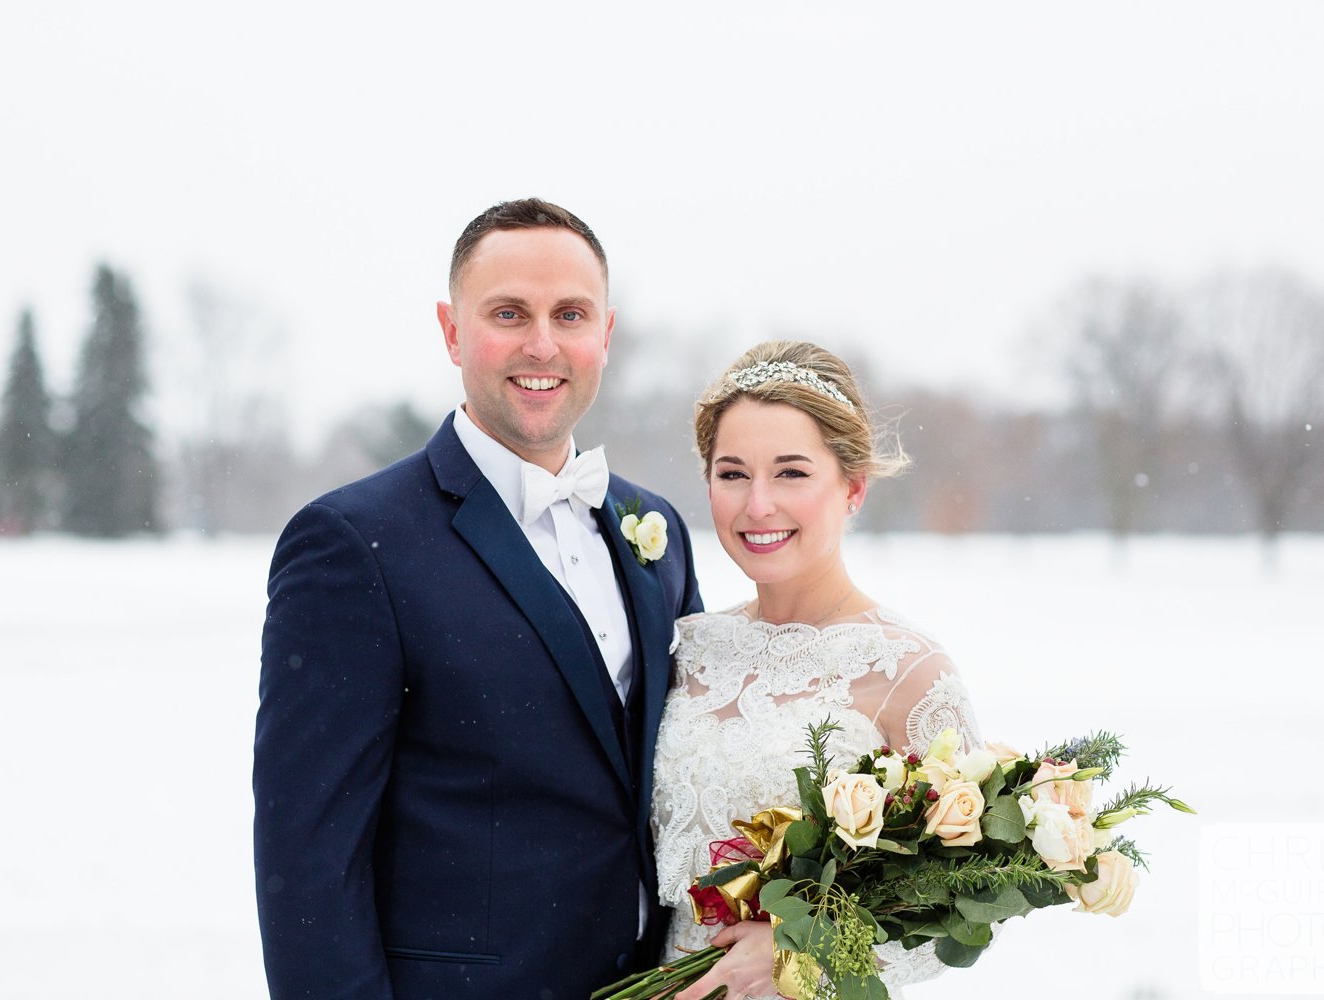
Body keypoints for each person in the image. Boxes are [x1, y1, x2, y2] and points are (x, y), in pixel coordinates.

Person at [253, 198, 702, 999]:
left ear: (606, 334)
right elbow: (310, 856)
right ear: (452, 331)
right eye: (508, 313)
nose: (542, 344)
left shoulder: (651, 527)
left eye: (570, 314)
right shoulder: (353, 544)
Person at [651, 341, 983, 1000]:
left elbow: (964, 907)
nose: (757, 505)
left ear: (853, 487)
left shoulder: (909, 672)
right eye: (733, 473)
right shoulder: (685, 649)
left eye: (792, 474)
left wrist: (799, 945)